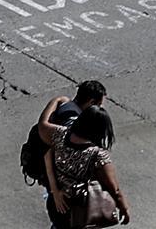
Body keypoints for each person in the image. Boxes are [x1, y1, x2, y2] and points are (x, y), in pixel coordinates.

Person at [38, 97, 131, 227]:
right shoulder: (98, 155)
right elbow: (114, 189)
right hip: (82, 209)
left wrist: (56, 100)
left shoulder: (60, 134)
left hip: (58, 203)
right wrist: (124, 208)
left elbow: (43, 131)